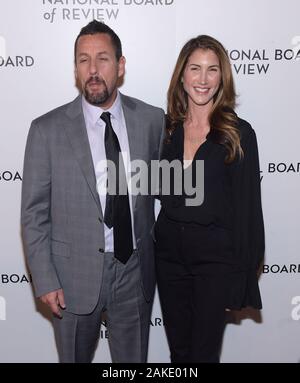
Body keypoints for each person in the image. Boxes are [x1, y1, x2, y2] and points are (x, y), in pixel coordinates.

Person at [21, 20, 164, 363]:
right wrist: (45, 279)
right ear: (75, 68)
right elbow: (34, 214)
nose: (93, 69)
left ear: (121, 65)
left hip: (134, 272)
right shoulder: (46, 130)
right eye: (83, 60)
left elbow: (167, 195)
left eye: (102, 58)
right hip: (71, 279)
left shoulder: (152, 120)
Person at [155, 35, 264, 363]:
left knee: (203, 356)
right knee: (179, 353)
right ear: (182, 75)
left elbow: (248, 212)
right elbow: (161, 193)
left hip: (215, 263)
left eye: (212, 70)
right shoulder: (166, 131)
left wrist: (242, 279)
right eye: (195, 69)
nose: (202, 79)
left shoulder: (238, 134)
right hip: (169, 258)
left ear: (222, 77)